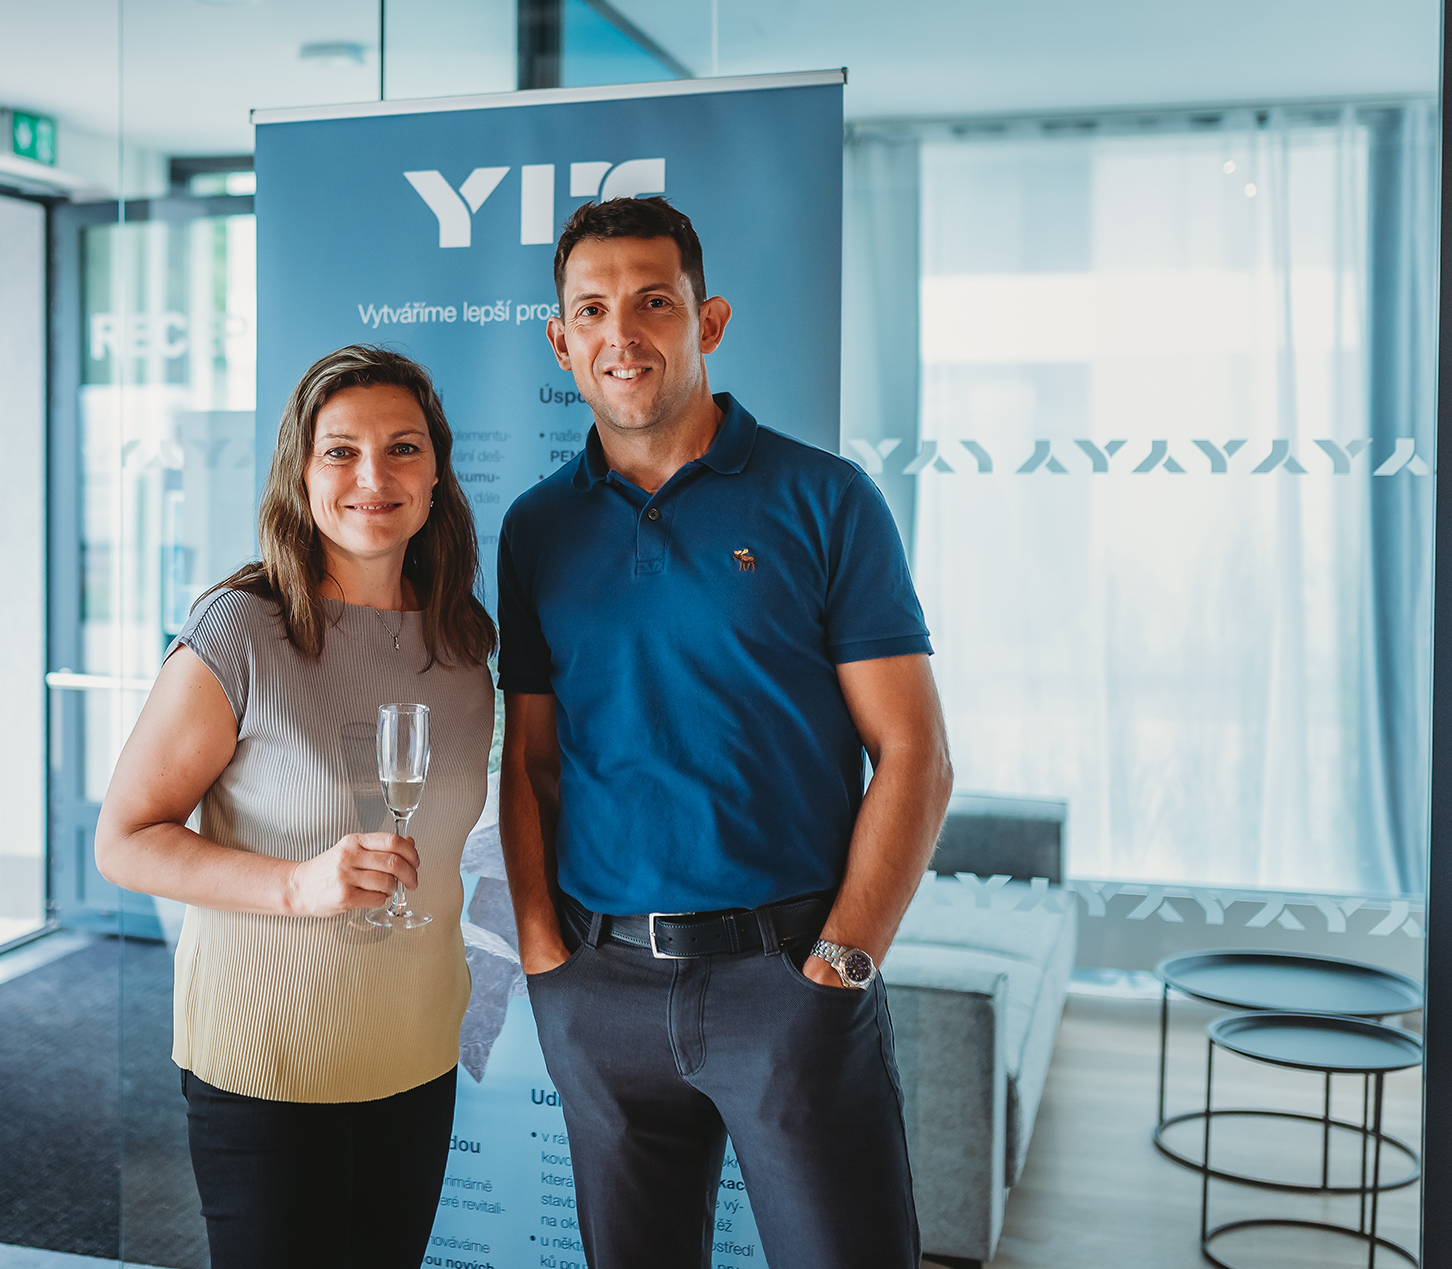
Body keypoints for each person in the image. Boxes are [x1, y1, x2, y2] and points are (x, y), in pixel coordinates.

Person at [497, 196, 954, 1269]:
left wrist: (839, 965)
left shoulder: (826, 499)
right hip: (599, 986)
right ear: (561, 341)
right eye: (592, 310)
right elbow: (530, 761)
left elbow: (915, 755)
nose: (622, 334)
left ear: (708, 321)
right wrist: (544, 960)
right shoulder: (535, 528)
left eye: (653, 302)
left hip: (787, 977)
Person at [95, 345, 496, 1269]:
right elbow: (124, 840)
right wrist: (296, 886)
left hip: (416, 1051)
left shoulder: (465, 644)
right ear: (301, 473)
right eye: (340, 451)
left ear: (437, 471)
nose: (373, 477)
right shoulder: (242, 628)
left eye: (402, 448)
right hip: (268, 1064)